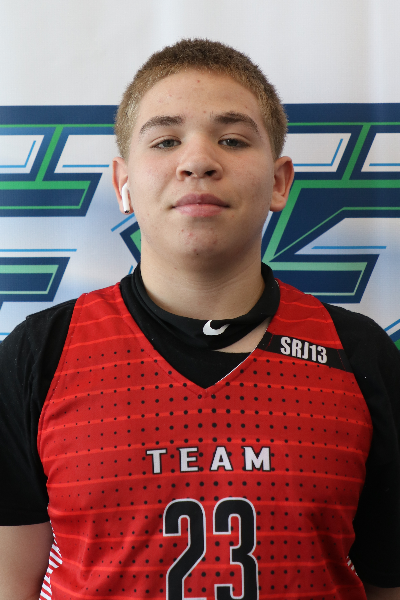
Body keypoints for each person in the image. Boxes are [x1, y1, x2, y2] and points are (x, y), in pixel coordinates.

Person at [0, 39, 399, 600]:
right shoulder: (39, 352)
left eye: (232, 139)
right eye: (166, 140)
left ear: (279, 182)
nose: (198, 161)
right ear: (123, 184)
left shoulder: (358, 353)